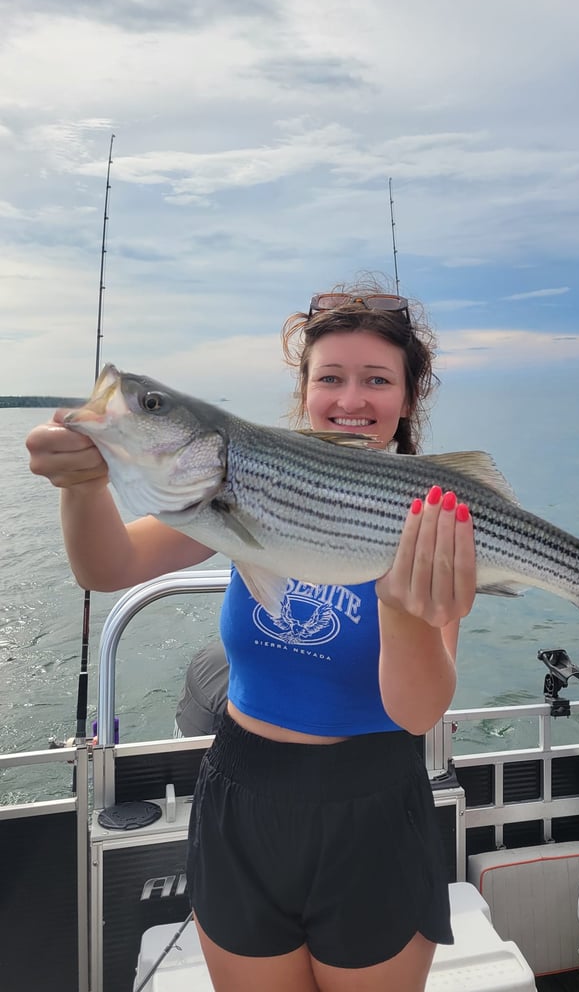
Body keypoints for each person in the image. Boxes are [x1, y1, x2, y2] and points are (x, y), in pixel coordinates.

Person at [26, 281, 477, 992]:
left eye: (377, 380)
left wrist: (401, 605)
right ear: (304, 391)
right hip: (243, 797)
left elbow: (419, 714)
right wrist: (82, 486)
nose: (351, 399)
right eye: (329, 377)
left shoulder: (432, 518)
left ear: (407, 400)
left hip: (375, 811)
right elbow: (107, 566)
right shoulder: (246, 484)